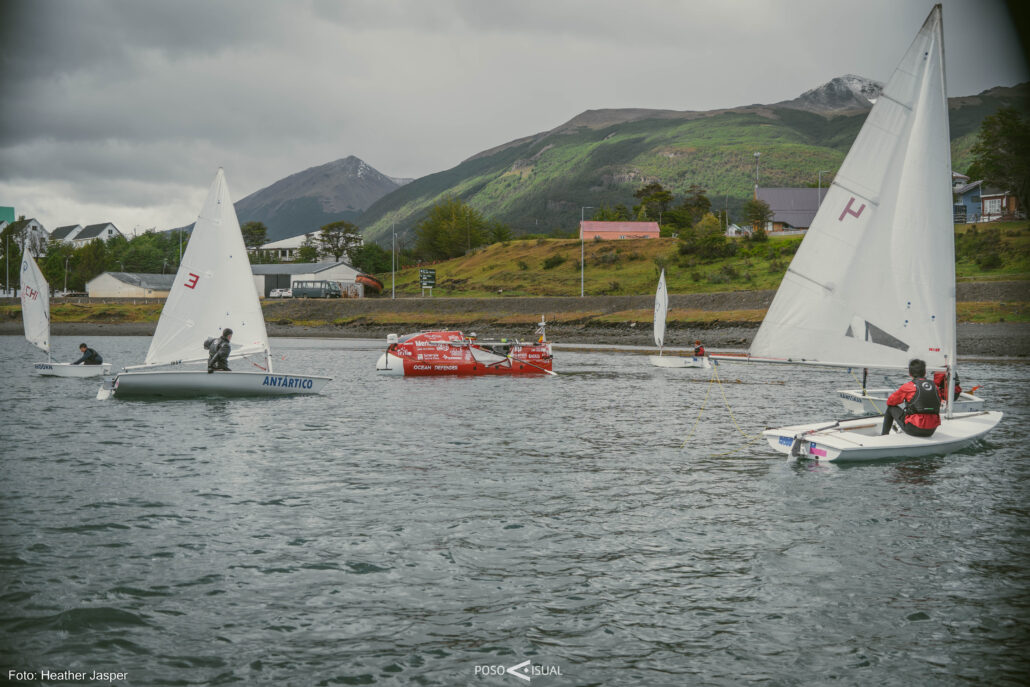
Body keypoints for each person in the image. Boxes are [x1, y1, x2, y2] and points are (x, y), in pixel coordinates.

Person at [881, 358, 941, 437]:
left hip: (914, 429)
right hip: (931, 430)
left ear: (910, 373)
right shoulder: (935, 387)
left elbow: (890, 402)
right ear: (925, 372)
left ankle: (884, 435)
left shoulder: (908, 386)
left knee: (891, 408)